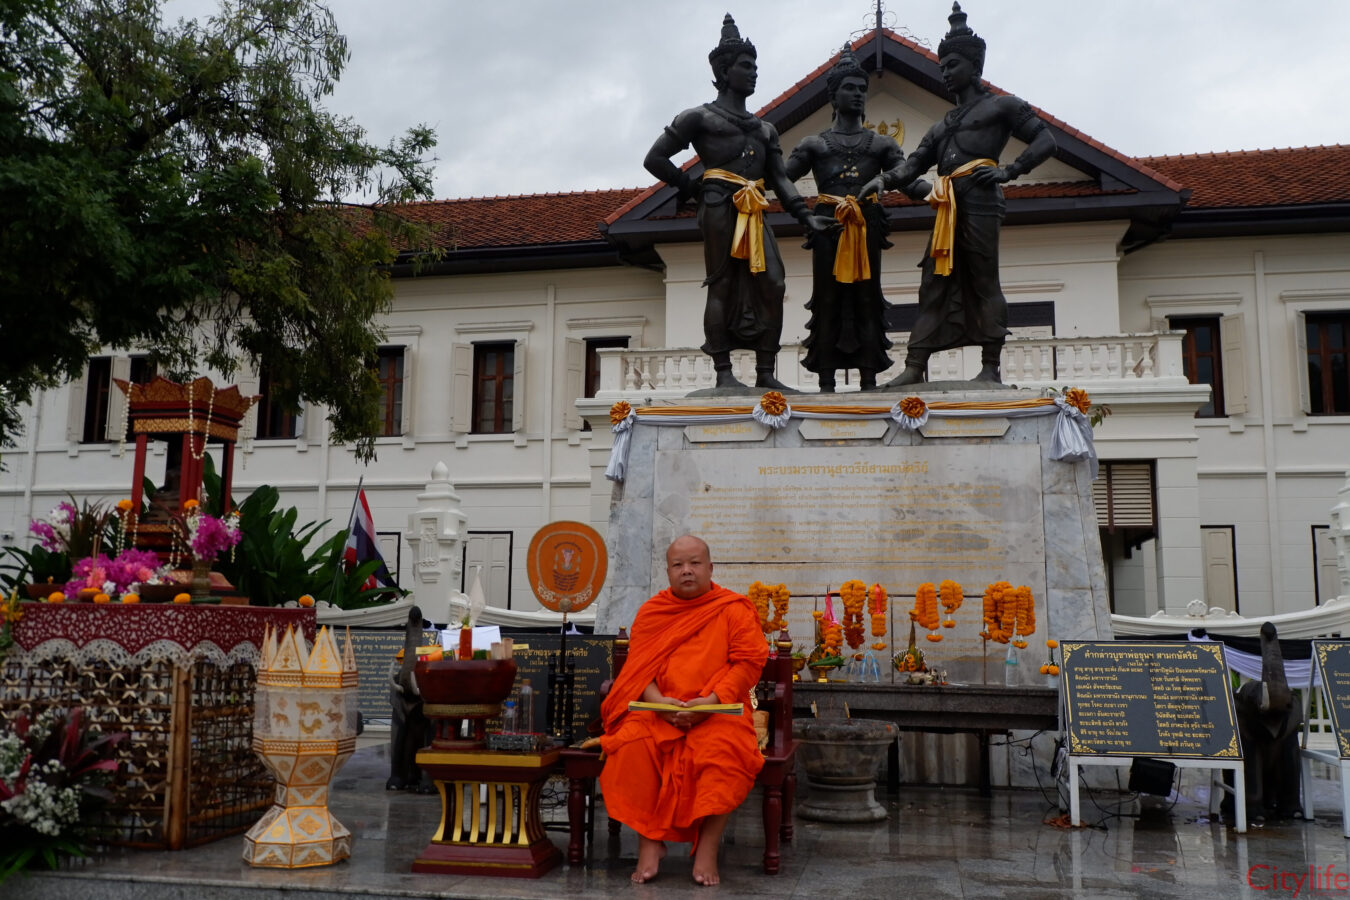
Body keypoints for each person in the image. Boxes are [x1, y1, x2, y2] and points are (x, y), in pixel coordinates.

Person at [860, 2, 1055, 385]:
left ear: (974, 64)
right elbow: (913, 165)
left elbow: (1046, 140)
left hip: (982, 199)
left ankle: (990, 366)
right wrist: (885, 180)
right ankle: (915, 365)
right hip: (948, 207)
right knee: (933, 282)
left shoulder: (1002, 106)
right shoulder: (942, 126)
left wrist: (1009, 171)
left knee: (984, 279)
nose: (946, 73)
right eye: (943, 67)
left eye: (952, 65)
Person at [644, 15, 833, 391]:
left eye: (755, 66)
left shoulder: (765, 129)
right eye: (746, 66)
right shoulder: (698, 117)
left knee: (773, 282)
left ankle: (765, 371)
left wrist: (806, 216)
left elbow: (780, 179)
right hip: (718, 203)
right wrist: (692, 186)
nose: (754, 72)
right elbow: (655, 158)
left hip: (754, 207)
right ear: (723, 71)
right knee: (723, 283)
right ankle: (723, 371)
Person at [594, 535, 768, 884]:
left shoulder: (733, 609)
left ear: (710, 568)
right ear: (668, 571)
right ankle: (649, 841)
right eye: (678, 565)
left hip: (718, 710)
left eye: (694, 563)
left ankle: (707, 848)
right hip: (658, 708)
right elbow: (639, 670)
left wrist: (710, 703)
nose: (686, 571)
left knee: (723, 756)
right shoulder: (653, 612)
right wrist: (659, 703)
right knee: (630, 748)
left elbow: (748, 664)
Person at [785, 44, 930, 392]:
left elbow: (907, 180)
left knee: (867, 296)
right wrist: (800, 213)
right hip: (828, 224)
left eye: (862, 89)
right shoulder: (814, 144)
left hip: (866, 224)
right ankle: (825, 380)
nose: (858, 94)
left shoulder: (881, 145)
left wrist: (946, 190)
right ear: (833, 96)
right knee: (828, 297)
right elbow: (780, 179)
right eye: (850, 88)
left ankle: (869, 377)